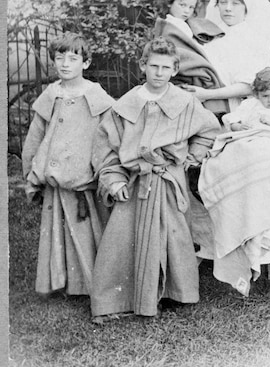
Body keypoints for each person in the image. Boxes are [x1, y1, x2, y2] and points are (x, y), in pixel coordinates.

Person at [90, 37, 220, 322]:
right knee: (123, 240)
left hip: (168, 182)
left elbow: (210, 130)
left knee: (173, 238)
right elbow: (107, 149)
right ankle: (120, 297)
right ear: (143, 66)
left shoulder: (185, 103)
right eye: (153, 66)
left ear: (175, 69)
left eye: (166, 67)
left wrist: (193, 155)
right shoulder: (125, 105)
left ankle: (175, 293)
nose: (159, 72)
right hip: (136, 184)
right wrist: (115, 181)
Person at [198, 67, 270, 296]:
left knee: (263, 154)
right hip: (244, 142)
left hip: (269, 142)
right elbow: (232, 121)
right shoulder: (249, 106)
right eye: (265, 95)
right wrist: (239, 126)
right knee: (228, 156)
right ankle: (232, 187)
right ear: (258, 94)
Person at [21, 33, 115, 297]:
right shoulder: (52, 94)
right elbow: (35, 137)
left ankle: (88, 284)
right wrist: (31, 171)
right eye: (59, 58)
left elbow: (109, 134)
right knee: (56, 231)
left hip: (83, 179)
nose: (65, 63)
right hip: (54, 180)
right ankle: (58, 281)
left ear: (85, 63)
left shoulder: (95, 95)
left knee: (86, 233)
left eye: (73, 58)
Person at [182, 0, 270, 115]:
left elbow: (250, 86)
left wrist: (207, 94)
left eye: (235, 3)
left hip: (239, 109)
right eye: (223, 2)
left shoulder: (255, 40)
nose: (228, 8)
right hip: (203, 105)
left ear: (246, 7)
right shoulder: (210, 36)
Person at [151, 0, 227, 113]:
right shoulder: (169, 26)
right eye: (182, 5)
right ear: (169, 3)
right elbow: (181, 50)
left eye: (191, 7)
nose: (186, 11)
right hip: (183, 74)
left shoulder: (186, 24)